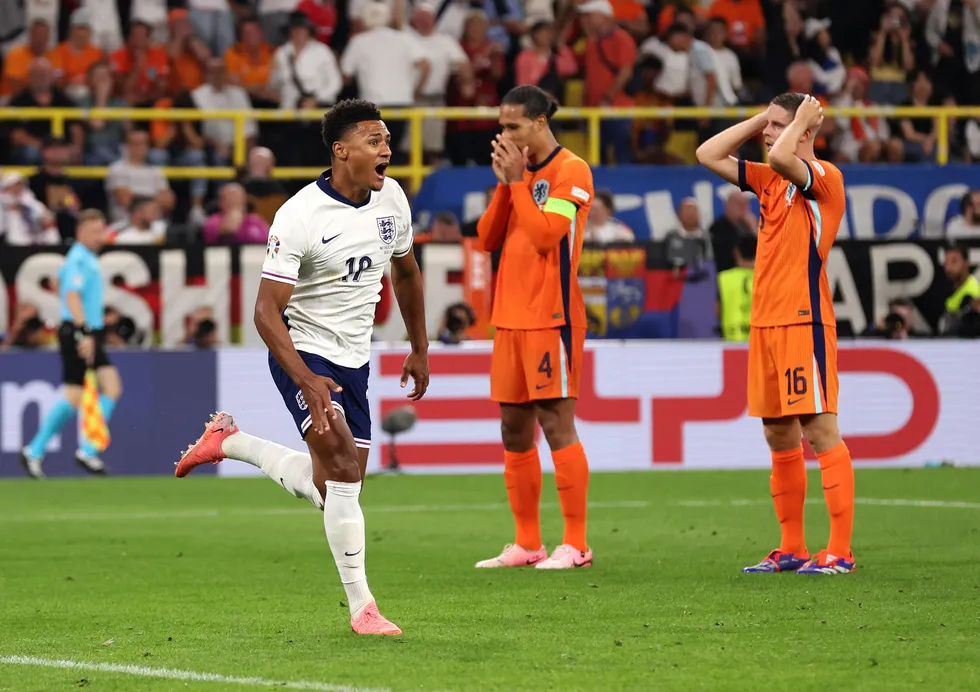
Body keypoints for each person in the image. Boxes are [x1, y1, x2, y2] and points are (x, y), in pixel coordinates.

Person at [173, 100, 430, 635]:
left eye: (387, 140)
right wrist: (306, 378)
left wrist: (420, 346)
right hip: (304, 350)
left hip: (355, 359)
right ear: (341, 150)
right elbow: (265, 312)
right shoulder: (299, 216)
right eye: (374, 141)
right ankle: (363, 608)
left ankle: (231, 442)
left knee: (336, 486)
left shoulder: (393, 200)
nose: (387, 149)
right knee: (342, 472)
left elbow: (406, 274)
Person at [696, 93, 854, 575]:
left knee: (819, 430)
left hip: (803, 318)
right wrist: (763, 118)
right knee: (777, 433)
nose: (767, 133)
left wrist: (800, 121)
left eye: (777, 125)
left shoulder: (822, 177)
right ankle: (792, 548)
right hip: (765, 323)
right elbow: (707, 153)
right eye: (768, 125)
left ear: (805, 128)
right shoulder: (769, 180)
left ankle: (840, 551)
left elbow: (786, 156)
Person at [474, 85, 595, 570]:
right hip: (509, 318)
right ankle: (527, 543)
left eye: (514, 126)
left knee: (555, 423)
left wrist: (518, 183)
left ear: (540, 122)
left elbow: (547, 237)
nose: (505, 135)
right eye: (501, 127)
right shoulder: (517, 175)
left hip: (552, 316)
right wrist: (507, 185)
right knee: (514, 429)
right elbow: (487, 238)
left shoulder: (572, 170)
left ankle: (577, 544)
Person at [20, 210, 122, 478]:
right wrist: (84, 330)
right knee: (77, 394)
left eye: (101, 231)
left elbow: (68, 288)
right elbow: (72, 296)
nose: (99, 237)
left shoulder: (83, 258)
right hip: (79, 332)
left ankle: (83, 449)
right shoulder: (78, 258)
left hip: (87, 330)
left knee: (108, 387)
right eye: (94, 231)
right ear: (80, 232)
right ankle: (40, 450)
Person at [716, 233, 755, 342]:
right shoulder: (768, 278)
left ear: (736, 253)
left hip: (732, 340)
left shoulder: (724, 278)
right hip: (760, 340)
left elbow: (718, 311)